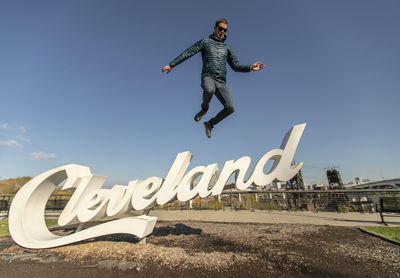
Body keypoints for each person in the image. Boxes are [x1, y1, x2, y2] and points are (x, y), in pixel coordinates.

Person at [162, 18, 264, 138]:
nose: (222, 31)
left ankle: (210, 124)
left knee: (230, 108)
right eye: (220, 28)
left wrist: (250, 67)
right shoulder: (205, 42)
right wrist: (171, 64)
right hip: (208, 77)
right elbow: (189, 52)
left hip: (221, 81)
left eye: (225, 30)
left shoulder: (227, 48)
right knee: (209, 90)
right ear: (215, 28)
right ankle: (204, 109)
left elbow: (235, 66)